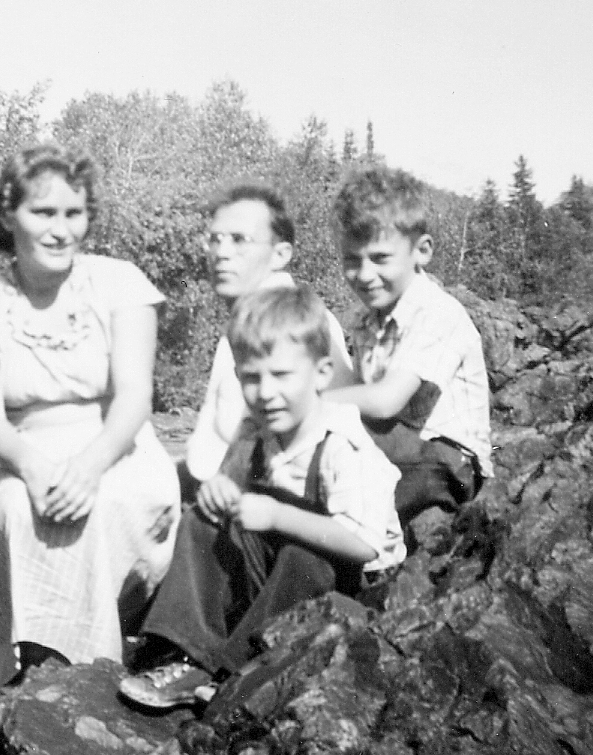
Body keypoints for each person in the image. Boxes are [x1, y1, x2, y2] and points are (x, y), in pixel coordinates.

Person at [0, 144, 180, 692]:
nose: (61, 230)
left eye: (74, 214)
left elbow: (136, 397)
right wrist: (35, 466)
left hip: (117, 443)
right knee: (22, 508)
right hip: (19, 453)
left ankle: (92, 672)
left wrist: (90, 466)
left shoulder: (121, 283)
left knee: (110, 501)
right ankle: (34, 660)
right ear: (7, 216)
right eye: (43, 213)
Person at [119, 286, 403, 709]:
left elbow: (362, 544)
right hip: (275, 568)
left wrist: (275, 516)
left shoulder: (340, 443)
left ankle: (239, 670)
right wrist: (220, 490)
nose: (266, 392)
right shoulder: (257, 430)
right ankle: (186, 651)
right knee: (200, 522)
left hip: (350, 583)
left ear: (322, 374)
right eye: (252, 377)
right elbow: (228, 482)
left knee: (301, 559)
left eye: (282, 376)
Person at [323, 167, 492, 527]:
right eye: (352, 260)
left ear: (422, 251)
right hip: (400, 450)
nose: (365, 274)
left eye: (380, 258)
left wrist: (309, 405)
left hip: (449, 464)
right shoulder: (365, 323)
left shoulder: (438, 312)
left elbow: (385, 401)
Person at [184, 184, 355, 495]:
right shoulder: (245, 321)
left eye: (239, 240)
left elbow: (343, 413)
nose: (221, 253)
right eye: (214, 239)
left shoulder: (299, 324)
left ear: (281, 254)